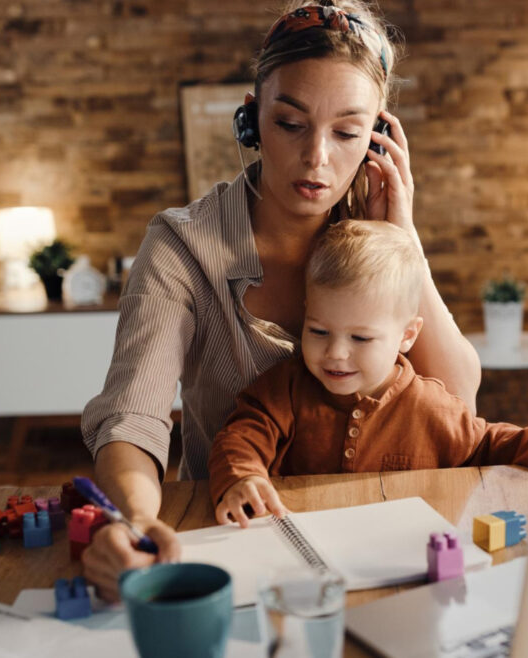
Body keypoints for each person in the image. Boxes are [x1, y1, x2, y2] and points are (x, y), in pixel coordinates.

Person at [78, 1, 482, 601]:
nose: (318, 157)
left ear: (376, 138)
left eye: (347, 132)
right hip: (237, 538)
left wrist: (404, 237)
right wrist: (135, 520)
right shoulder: (182, 245)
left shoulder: (378, 235)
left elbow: (459, 398)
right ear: (252, 120)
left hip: (385, 538)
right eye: (291, 124)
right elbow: (133, 417)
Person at [209, 221, 528, 526]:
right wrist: (243, 478)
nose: (335, 352)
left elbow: (491, 444)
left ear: (407, 335)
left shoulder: (431, 408)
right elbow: (239, 438)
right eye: (318, 331)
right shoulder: (284, 389)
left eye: (360, 337)